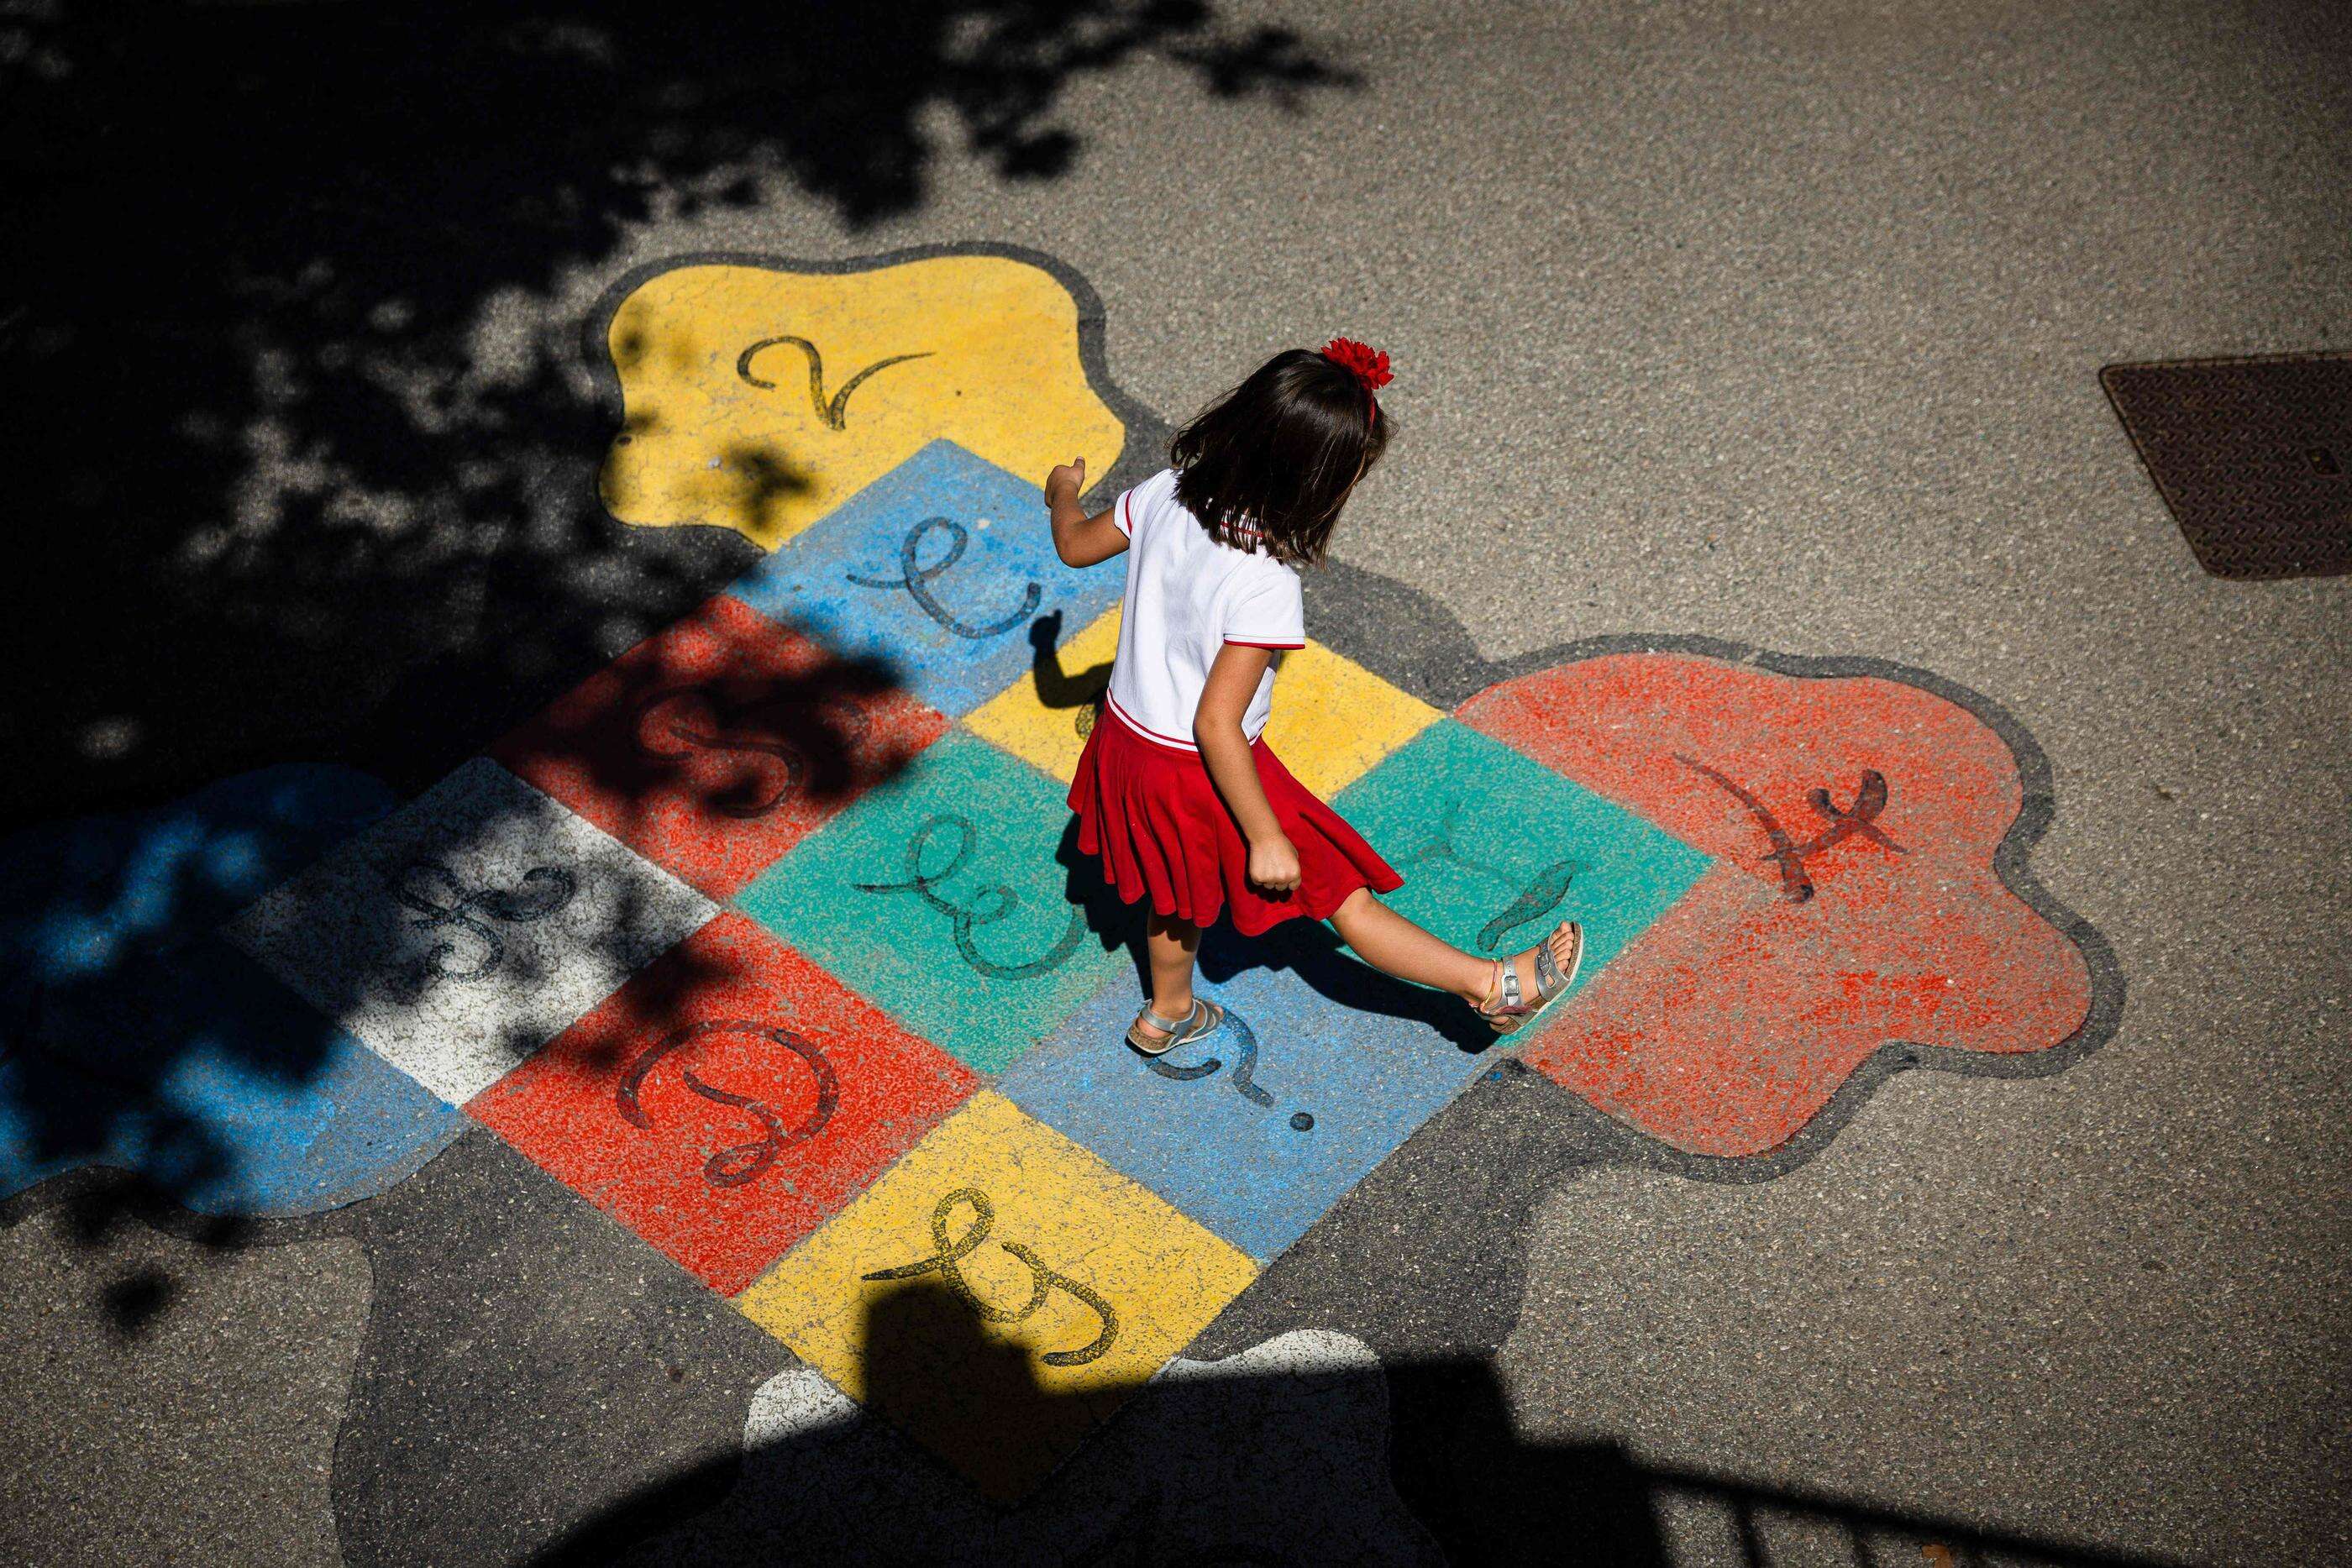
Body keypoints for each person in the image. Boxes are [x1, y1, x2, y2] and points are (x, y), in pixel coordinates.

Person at [1044, 339, 1583, 1056]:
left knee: (1173, 898)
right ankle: (1494, 986)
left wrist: (1062, 493)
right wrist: (1264, 833)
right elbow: (1215, 721)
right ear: (1317, 482)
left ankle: (1166, 1012)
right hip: (1205, 769)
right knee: (1341, 896)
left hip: (1126, 744)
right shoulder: (1264, 580)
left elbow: (1076, 545)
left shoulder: (1168, 488)